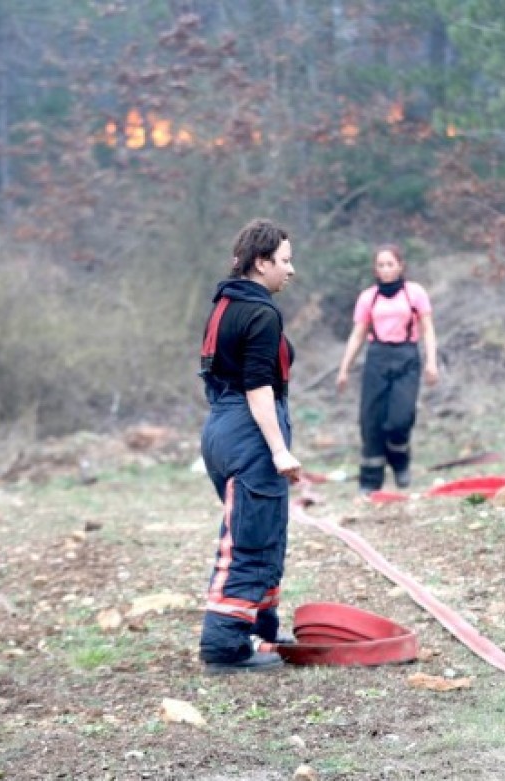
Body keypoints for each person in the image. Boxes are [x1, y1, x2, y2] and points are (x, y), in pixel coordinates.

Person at [196, 218, 302, 675]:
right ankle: (225, 647)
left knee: (265, 532)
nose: (291, 270)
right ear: (261, 263)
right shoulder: (260, 313)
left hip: (222, 426)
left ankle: (261, 625)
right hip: (249, 433)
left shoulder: (225, 303)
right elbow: (258, 386)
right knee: (250, 543)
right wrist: (279, 450)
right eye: (284, 260)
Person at [335, 244, 439, 496]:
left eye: (390, 264)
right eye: (380, 265)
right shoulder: (368, 297)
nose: (386, 269)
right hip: (377, 358)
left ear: (400, 266)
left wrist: (431, 362)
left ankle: (400, 461)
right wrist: (344, 368)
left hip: (407, 357)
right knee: (371, 421)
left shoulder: (415, 293)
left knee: (399, 419)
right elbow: (358, 333)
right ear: (375, 269)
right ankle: (370, 481)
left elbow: (428, 328)